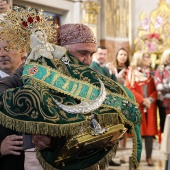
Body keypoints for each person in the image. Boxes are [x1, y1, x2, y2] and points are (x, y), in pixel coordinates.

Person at [0, 7, 142, 170]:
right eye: (82, 53)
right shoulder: (35, 69)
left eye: (91, 54)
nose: (87, 61)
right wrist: (39, 124)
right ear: (59, 49)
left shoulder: (88, 76)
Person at [125, 50, 158, 166]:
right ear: (140, 58)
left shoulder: (152, 73)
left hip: (150, 106)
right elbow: (129, 88)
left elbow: (156, 89)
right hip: (137, 105)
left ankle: (149, 157)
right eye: (146, 57)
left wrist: (150, 99)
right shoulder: (132, 72)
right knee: (137, 132)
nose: (149, 59)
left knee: (150, 133)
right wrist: (142, 100)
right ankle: (135, 158)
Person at [107, 48, 130, 164]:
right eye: (121, 54)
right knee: (114, 129)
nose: (123, 56)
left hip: (126, 101)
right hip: (115, 102)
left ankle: (123, 155)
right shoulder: (111, 67)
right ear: (117, 55)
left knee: (124, 129)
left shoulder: (130, 70)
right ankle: (111, 154)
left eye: (125, 54)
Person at [154, 48, 170, 133]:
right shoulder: (160, 70)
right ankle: (164, 145)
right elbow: (159, 86)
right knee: (165, 126)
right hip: (164, 102)